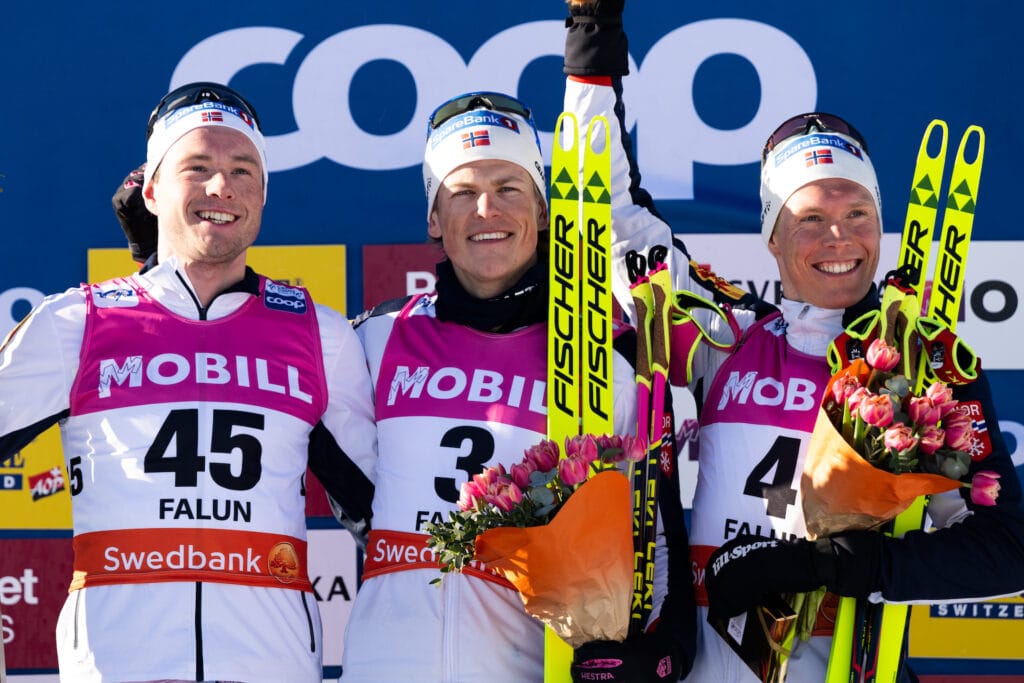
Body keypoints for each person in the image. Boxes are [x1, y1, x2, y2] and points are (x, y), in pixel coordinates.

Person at [561, 1, 1024, 681]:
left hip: (846, 663)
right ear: (772, 237)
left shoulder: (924, 368)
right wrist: (592, 47)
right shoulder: (726, 337)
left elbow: (1005, 547)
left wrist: (845, 566)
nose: (838, 237)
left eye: (856, 212)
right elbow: (610, 212)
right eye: (809, 216)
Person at [0, 82, 377, 682]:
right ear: (150, 189)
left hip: (270, 667)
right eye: (196, 167)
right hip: (118, 667)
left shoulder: (320, 335)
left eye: (241, 170)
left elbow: (380, 522)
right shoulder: (74, 323)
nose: (220, 187)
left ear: (261, 194)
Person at [336, 91, 695, 682]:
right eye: (462, 193)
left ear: (543, 207)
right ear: (433, 218)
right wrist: (158, 256)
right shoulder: (374, 339)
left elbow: (657, 539)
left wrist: (661, 655)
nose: (487, 211)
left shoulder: (604, 352)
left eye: (509, 188)